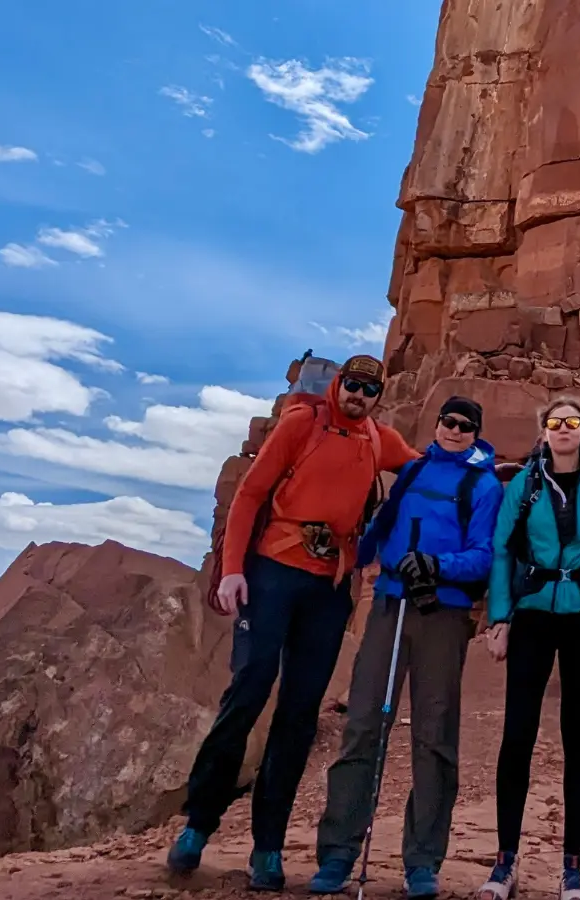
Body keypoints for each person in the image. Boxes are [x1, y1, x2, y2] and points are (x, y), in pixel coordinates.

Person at [166, 355, 420, 892]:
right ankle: (198, 825)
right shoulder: (301, 424)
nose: (357, 394)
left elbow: (429, 466)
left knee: (300, 714)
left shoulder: (379, 439)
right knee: (249, 690)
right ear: (337, 386)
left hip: (328, 589)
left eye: (369, 389)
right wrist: (233, 570)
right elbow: (251, 493)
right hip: (274, 572)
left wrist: (492, 467)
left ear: (379, 394)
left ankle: (269, 848)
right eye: (351, 384)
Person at [310, 397, 504, 898]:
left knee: (435, 735)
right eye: (448, 422)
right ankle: (337, 854)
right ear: (436, 424)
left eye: (466, 425)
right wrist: (355, 556)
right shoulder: (414, 472)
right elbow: (380, 526)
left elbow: (484, 554)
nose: (455, 430)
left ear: (475, 432)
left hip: (443, 613)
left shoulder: (482, 485)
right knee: (363, 726)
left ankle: (422, 862)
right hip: (390, 603)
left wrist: (438, 567)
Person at [476, 399, 580, 900]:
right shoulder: (525, 483)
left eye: (572, 422)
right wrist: (499, 618)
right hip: (533, 615)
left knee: (577, 736)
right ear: (543, 431)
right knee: (518, 732)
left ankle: (573, 868)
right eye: (555, 422)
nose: (563, 430)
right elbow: (503, 548)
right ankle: (505, 863)